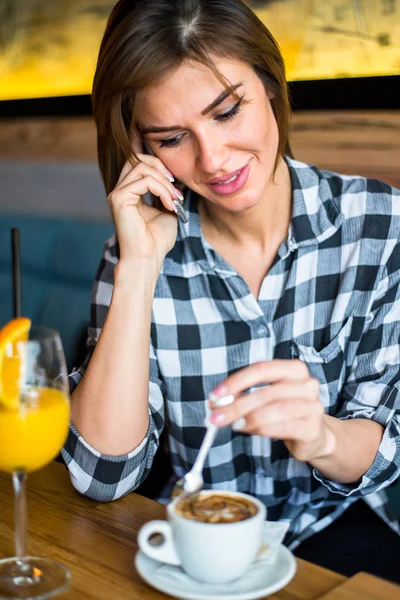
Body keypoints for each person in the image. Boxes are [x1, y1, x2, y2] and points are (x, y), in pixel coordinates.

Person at [62, 0, 400, 582]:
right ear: (144, 150)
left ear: (270, 85)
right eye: (172, 138)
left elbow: (383, 446)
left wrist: (319, 434)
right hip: (192, 534)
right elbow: (100, 475)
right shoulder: (137, 249)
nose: (213, 161)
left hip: (334, 524)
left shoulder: (379, 223)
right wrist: (139, 267)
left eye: (227, 111)